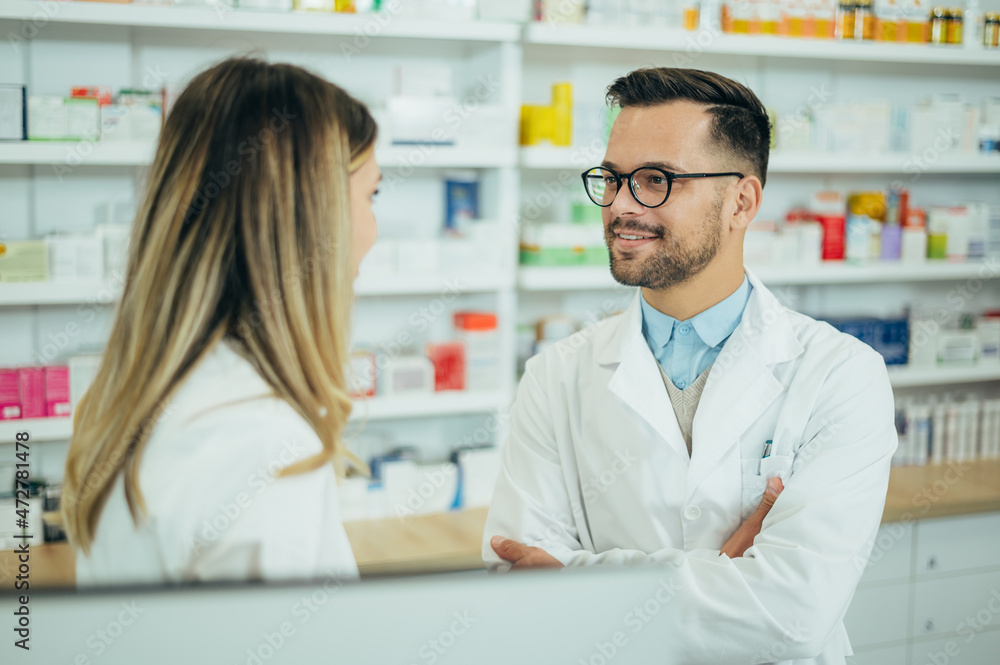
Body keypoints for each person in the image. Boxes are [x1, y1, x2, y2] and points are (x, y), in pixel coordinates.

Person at [483, 68, 896, 664]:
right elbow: (514, 578)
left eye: (656, 180)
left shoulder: (842, 375)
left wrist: (577, 584)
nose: (621, 205)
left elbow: (793, 614)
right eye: (613, 178)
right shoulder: (556, 375)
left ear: (741, 201)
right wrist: (725, 571)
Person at [62, 57, 381, 585]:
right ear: (309, 220)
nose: (373, 229)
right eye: (371, 195)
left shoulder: (137, 400)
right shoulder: (265, 449)